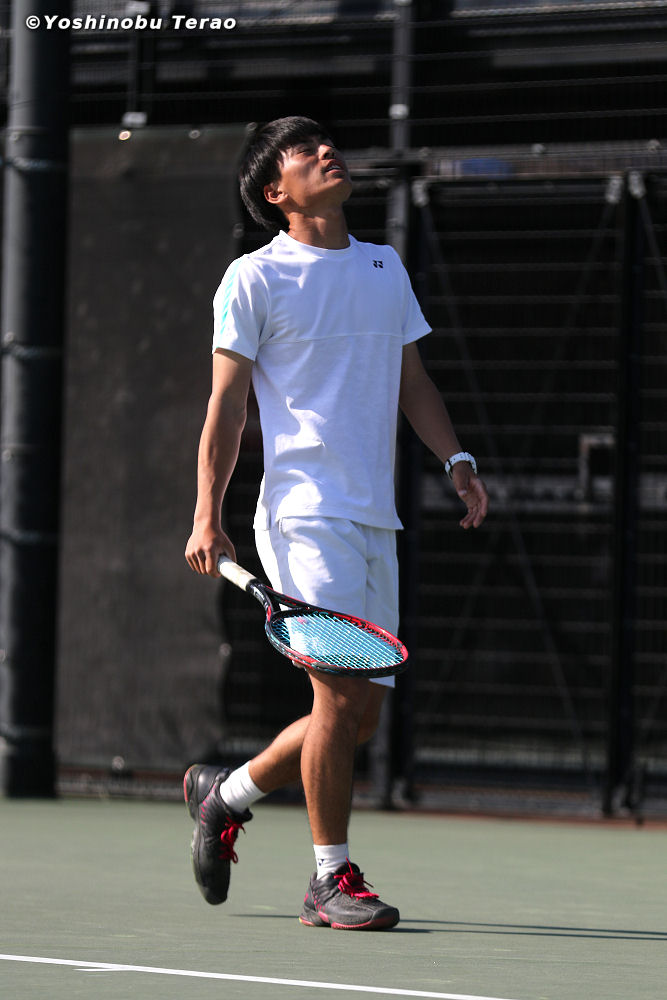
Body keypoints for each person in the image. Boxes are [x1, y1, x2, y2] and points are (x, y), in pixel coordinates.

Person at [184, 116, 488, 931]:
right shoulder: (253, 278)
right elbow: (226, 405)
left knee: (355, 718)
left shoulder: (384, 266)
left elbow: (412, 380)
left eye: (326, 143)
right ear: (273, 191)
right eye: (302, 150)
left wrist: (456, 461)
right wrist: (207, 513)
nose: (326, 152)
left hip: (373, 518)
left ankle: (225, 795)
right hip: (303, 514)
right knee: (339, 694)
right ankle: (329, 879)